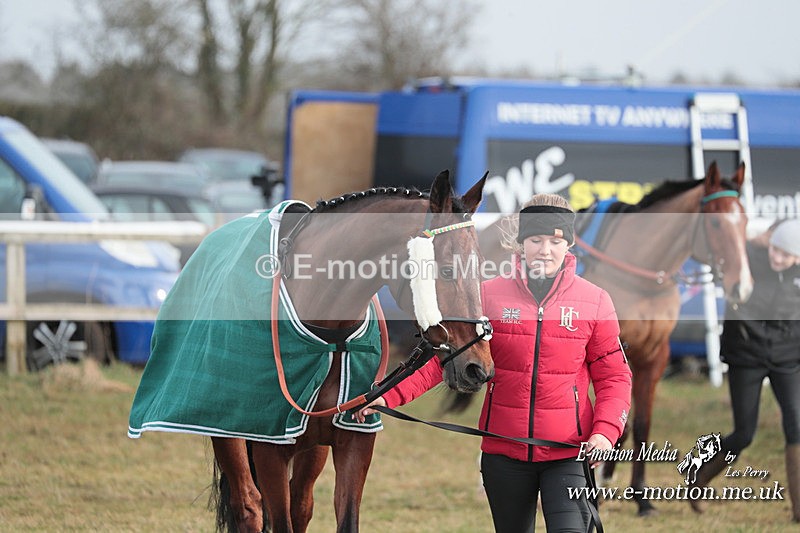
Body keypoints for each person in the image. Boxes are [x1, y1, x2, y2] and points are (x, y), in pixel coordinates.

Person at [355, 194, 632, 532]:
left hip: (568, 454)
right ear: (521, 244)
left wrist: (605, 433)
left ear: (568, 245)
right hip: (504, 455)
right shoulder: (487, 296)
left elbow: (615, 377)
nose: (545, 250)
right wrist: (389, 395)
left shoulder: (595, 301)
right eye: (536, 240)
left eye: (555, 241)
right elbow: (441, 359)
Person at [689, 218, 800, 521]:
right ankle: (698, 479)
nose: (777, 258)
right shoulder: (748, 256)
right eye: (775, 250)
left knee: (797, 427)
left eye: (786, 255)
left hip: (787, 359)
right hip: (747, 356)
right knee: (744, 434)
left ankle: (799, 511)